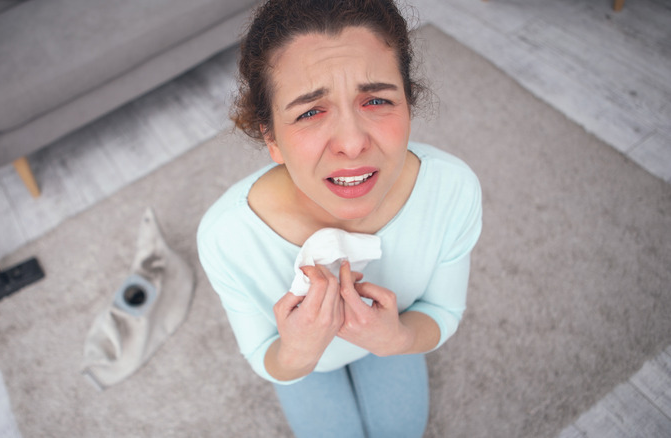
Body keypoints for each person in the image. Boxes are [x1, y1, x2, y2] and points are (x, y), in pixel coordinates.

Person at [197, 0, 482, 436]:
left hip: (391, 338)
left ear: (409, 103)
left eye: (376, 99)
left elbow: (442, 310)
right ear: (270, 137)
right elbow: (264, 355)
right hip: (307, 364)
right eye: (311, 111)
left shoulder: (452, 190)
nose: (351, 143)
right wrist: (297, 352)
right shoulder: (227, 237)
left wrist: (398, 340)